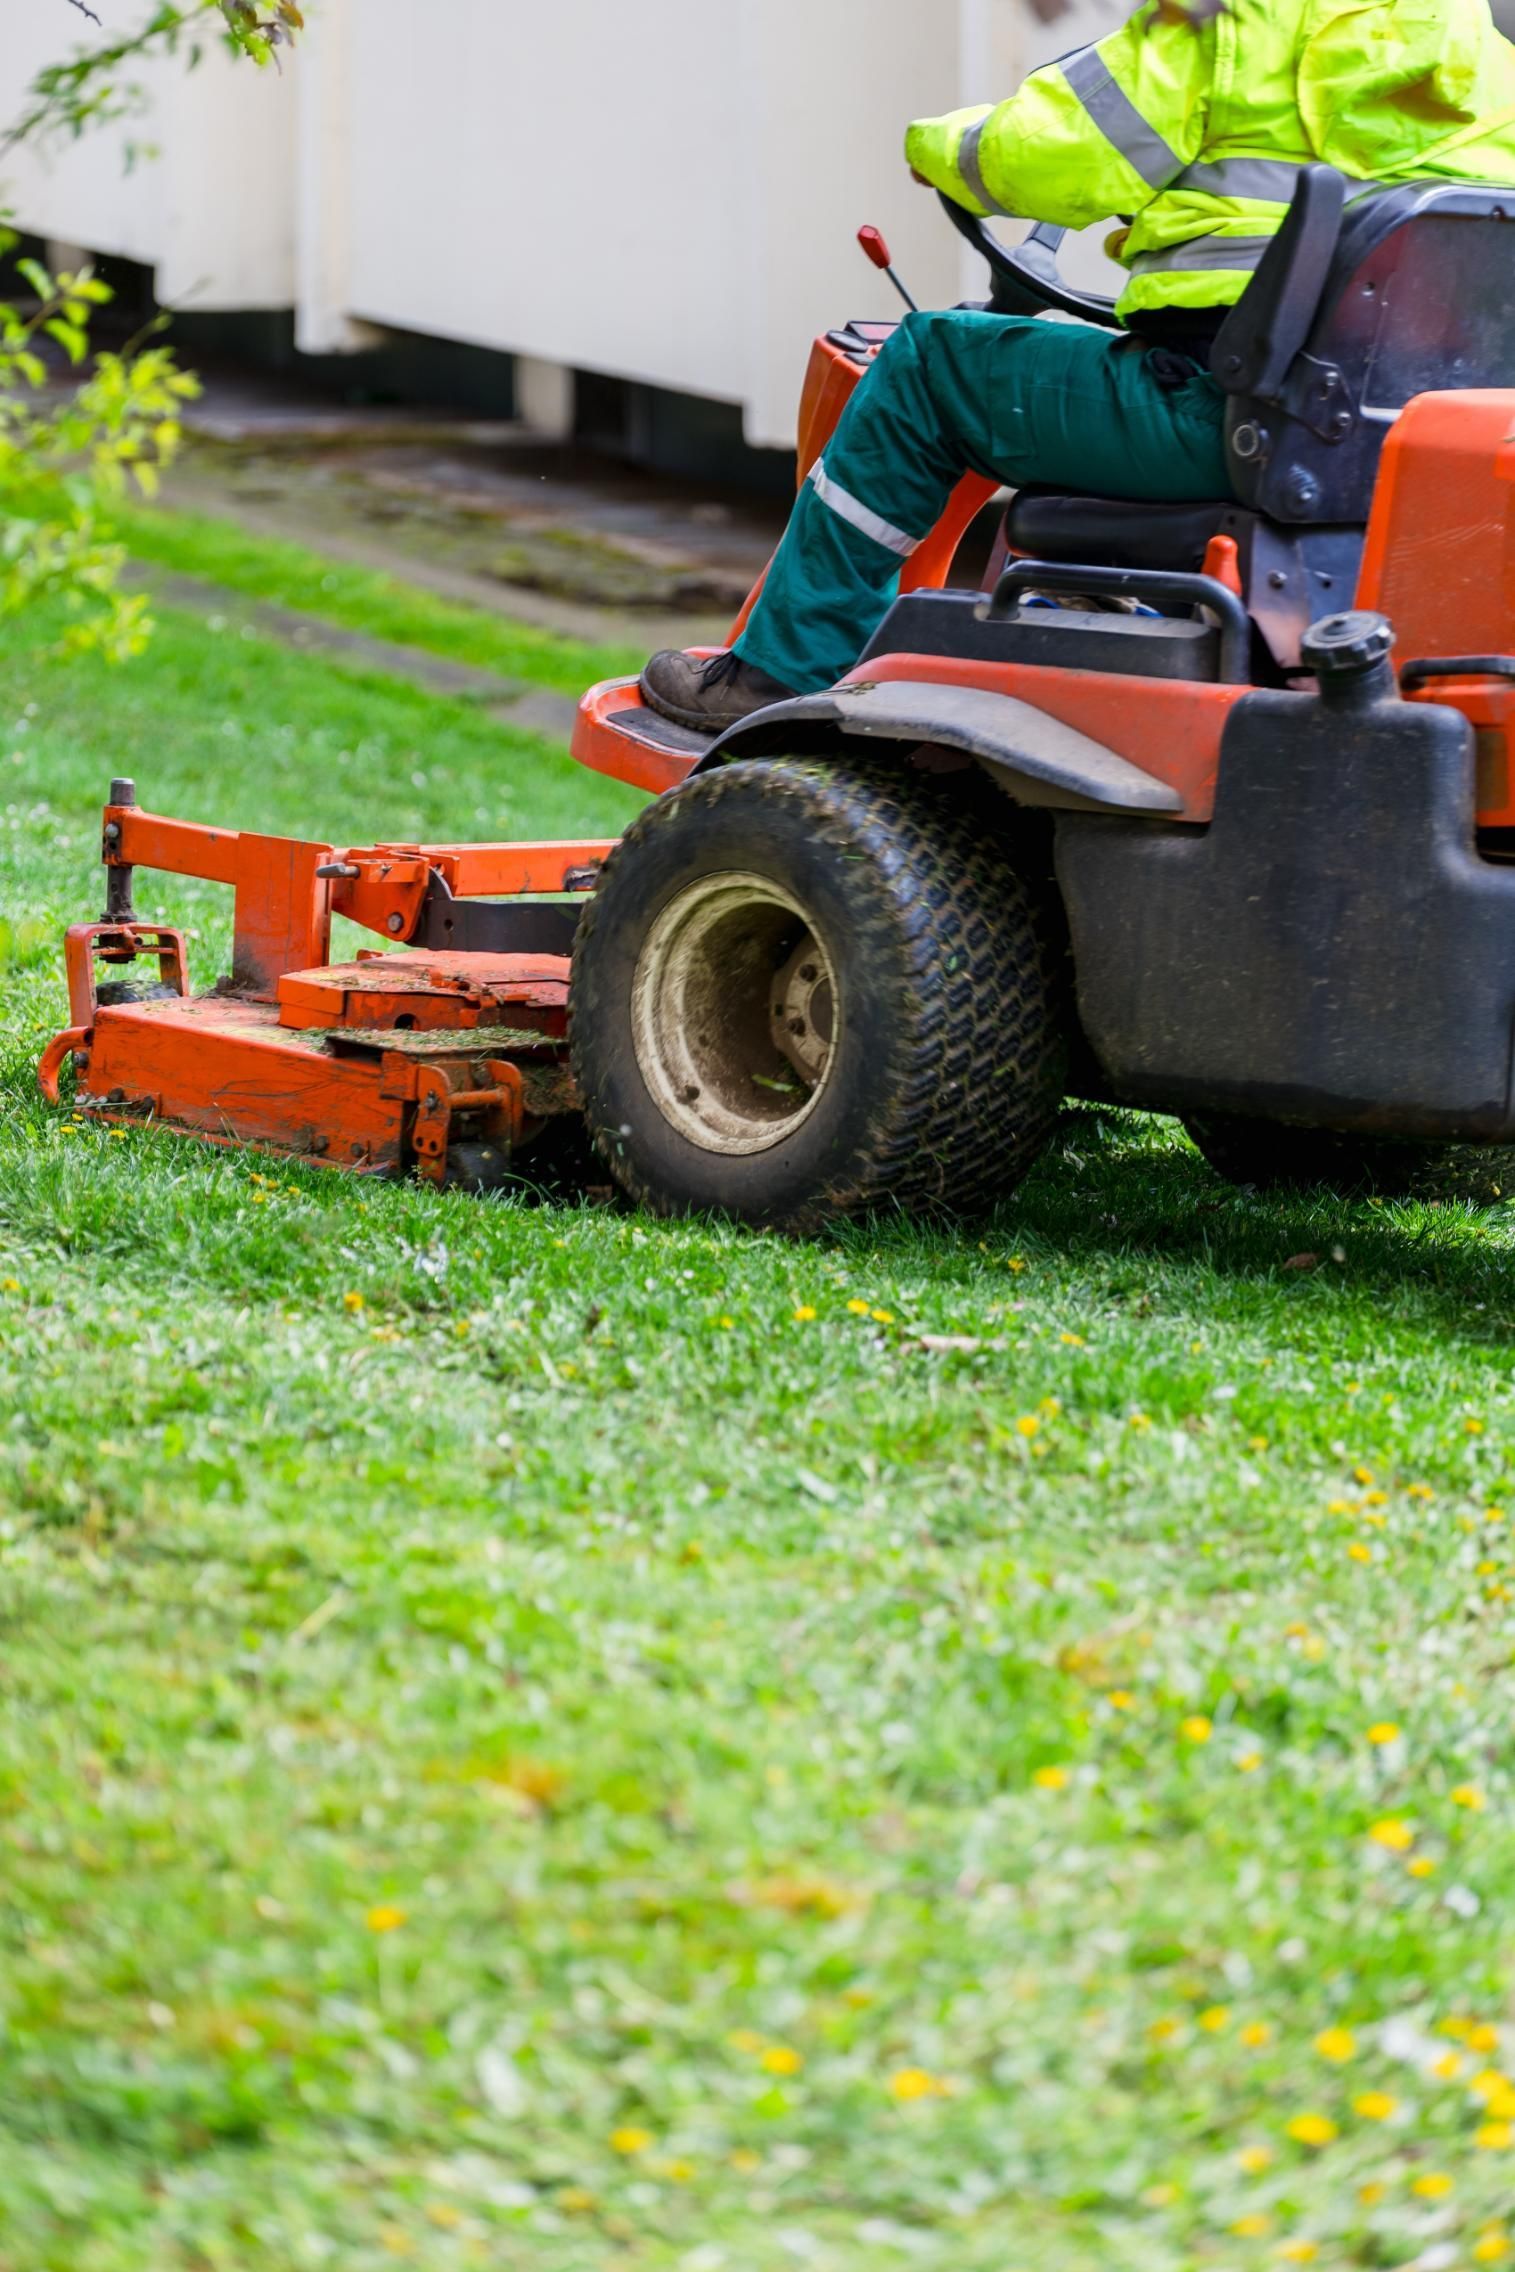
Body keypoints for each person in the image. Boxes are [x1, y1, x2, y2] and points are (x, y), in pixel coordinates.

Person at [641, 0, 1515, 731]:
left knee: (930, 364)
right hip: (1391, 435)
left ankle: (780, 670)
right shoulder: (1468, 37)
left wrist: (937, 146)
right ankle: (1093, 611)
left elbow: (1037, 154)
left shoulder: (1228, 25)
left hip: (1228, 416)